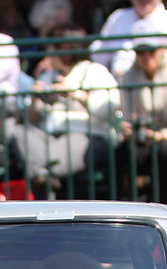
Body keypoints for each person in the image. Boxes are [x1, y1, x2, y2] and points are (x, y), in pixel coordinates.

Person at [8, 24, 120, 194]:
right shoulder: (47, 76)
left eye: (53, 48)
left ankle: (42, 173)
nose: (48, 53)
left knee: (67, 144)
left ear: (66, 49)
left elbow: (110, 109)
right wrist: (36, 99)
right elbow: (33, 119)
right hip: (50, 136)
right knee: (19, 132)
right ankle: (44, 172)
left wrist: (76, 94)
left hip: (87, 135)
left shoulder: (94, 72)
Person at [116, 38, 167, 201]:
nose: (146, 56)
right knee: (122, 152)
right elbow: (129, 115)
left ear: (163, 50)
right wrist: (129, 128)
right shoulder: (129, 75)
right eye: (140, 52)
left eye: (151, 51)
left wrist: (162, 135)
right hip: (143, 138)